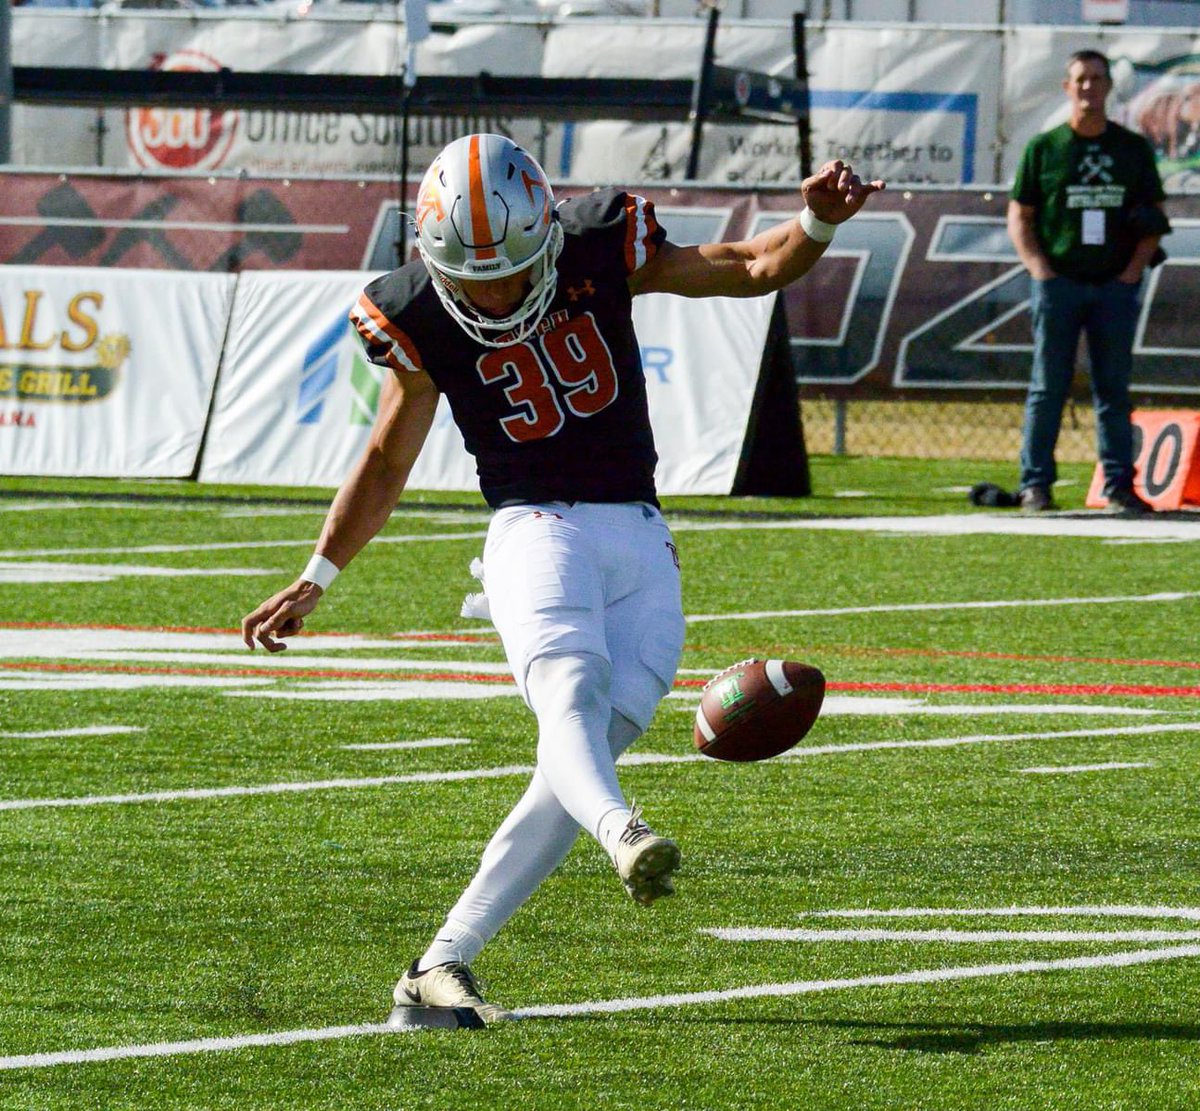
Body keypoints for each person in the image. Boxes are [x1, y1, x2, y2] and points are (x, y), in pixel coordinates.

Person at [241, 133, 884, 1025]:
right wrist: (320, 572)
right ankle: (623, 832)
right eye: (473, 276)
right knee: (570, 697)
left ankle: (439, 965)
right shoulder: (417, 310)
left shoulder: (597, 241)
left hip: (641, 531)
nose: (494, 291)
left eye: (508, 270)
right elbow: (389, 453)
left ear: (544, 234)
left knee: (581, 752)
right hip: (532, 525)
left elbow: (746, 264)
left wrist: (815, 218)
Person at [1008, 49, 1170, 516]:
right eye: (1080, 79)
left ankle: (1120, 487)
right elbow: (1021, 215)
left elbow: (1154, 217)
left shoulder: (1131, 149)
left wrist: (1131, 272)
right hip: (1059, 284)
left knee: (1113, 390)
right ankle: (1035, 485)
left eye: (1097, 79)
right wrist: (1040, 269)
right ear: (1067, 86)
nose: (1088, 87)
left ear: (1108, 87)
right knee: (1047, 388)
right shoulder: (1045, 148)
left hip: (1113, 286)